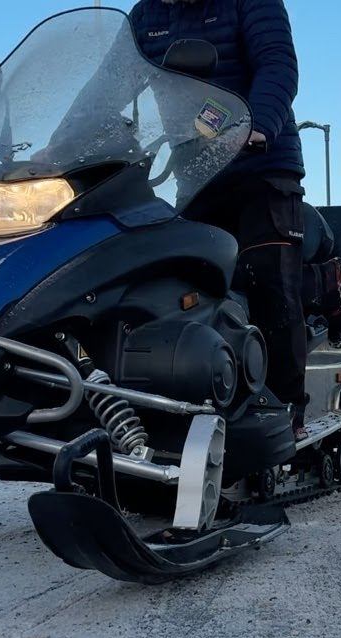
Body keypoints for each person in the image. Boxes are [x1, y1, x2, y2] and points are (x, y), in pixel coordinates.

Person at [129, 0, 314, 440]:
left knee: (268, 279)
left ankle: (285, 411)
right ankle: (187, 400)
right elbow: (108, 86)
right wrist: (59, 144)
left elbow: (277, 64)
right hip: (197, 173)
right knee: (178, 286)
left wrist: (258, 124)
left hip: (261, 164)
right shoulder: (145, 16)